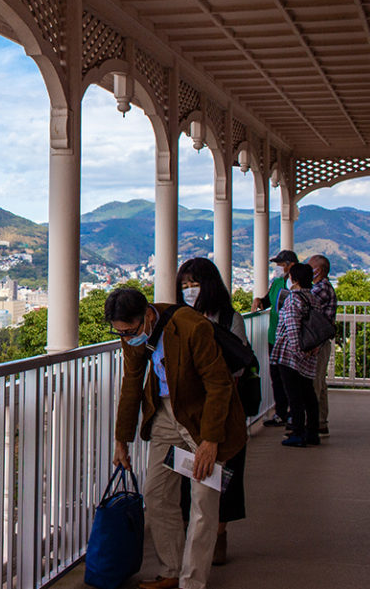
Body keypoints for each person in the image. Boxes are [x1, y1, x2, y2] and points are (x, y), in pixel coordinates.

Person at [107, 287, 246, 589]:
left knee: (203, 502)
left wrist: (210, 440)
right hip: (165, 413)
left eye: (129, 331)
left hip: (203, 416)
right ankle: (171, 569)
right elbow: (131, 384)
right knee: (156, 492)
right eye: (119, 333)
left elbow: (219, 385)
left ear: (146, 316)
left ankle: (192, 581)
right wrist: (121, 440)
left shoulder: (190, 326)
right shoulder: (131, 335)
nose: (127, 339)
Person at [175, 258, 249, 566]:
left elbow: (241, 362)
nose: (190, 291)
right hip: (189, 410)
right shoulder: (180, 319)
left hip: (226, 406)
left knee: (224, 476)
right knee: (187, 476)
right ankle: (193, 538)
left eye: (194, 284)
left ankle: (218, 538)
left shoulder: (229, 318)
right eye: (185, 286)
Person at [271, 263, 321, 447]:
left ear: (295, 279)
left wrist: (299, 352)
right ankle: (312, 432)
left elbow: (292, 329)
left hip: (290, 355)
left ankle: (298, 433)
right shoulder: (313, 298)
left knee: (294, 397)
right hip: (310, 352)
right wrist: (310, 350)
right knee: (308, 394)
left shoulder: (293, 300)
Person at [251, 249, 298, 428]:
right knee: (276, 377)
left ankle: (294, 413)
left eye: (280, 264)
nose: (277, 268)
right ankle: (281, 412)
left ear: (290, 265)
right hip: (274, 338)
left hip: (290, 338)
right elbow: (268, 302)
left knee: (291, 378)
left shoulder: (296, 283)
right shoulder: (277, 283)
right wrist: (258, 300)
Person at [306, 254, 336, 435]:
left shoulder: (321, 288)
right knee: (320, 383)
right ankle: (320, 422)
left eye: (310, 267)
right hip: (322, 342)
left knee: (314, 384)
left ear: (319, 270)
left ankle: (311, 426)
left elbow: (303, 302)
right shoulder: (323, 287)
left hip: (318, 343)